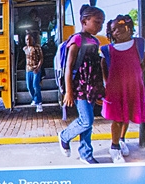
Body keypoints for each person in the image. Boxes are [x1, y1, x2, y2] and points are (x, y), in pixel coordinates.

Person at [58, 4, 106, 164]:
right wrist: (68, 91)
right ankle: (64, 136)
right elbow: (69, 67)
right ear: (84, 21)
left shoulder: (95, 41)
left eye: (102, 22)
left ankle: (86, 154)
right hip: (80, 88)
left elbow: (96, 67)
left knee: (88, 122)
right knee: (87, 120)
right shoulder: (77, 39)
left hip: (92, 88)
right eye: (97, 21)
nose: (100, 25)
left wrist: (101, 90)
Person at [100, 14, 145, 163]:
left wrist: (136, 76)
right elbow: (103, 67)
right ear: (110, 33)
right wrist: (107, 83)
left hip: (133, 86)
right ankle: (114, 147)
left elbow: (144, 62)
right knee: (117, 118)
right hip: (115, 89)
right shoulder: (107, 49)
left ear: (130, 27)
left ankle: (121, 139)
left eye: (121, 26)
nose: (118, 31)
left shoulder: (141, 44)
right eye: (114, 29)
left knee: (126, 114)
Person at [23, 31, 44, 112]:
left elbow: (41, 58)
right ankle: (34, 99)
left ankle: (39, 103)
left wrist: (38, 68)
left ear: (32, 39)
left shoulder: (37, 47)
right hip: (28, 70)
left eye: (29, 39)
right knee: (29, 86)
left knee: (36, 85)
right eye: (27, 40)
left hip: (36, 69)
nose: (28, 41)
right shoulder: (25, 49)